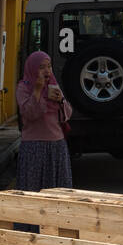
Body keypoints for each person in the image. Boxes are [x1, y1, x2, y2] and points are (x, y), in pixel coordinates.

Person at [15, 50, 73, 192]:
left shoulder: (53, 85)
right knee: (33, 192)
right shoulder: (24, 87)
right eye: (41, 67)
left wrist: (61, 101)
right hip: (34, 147)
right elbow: (30, 114)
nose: (47, 71)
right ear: (33, 68)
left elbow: (67, 114)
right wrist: (37, 90)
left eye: (49, 66)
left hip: (56, 146)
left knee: (58, 193)